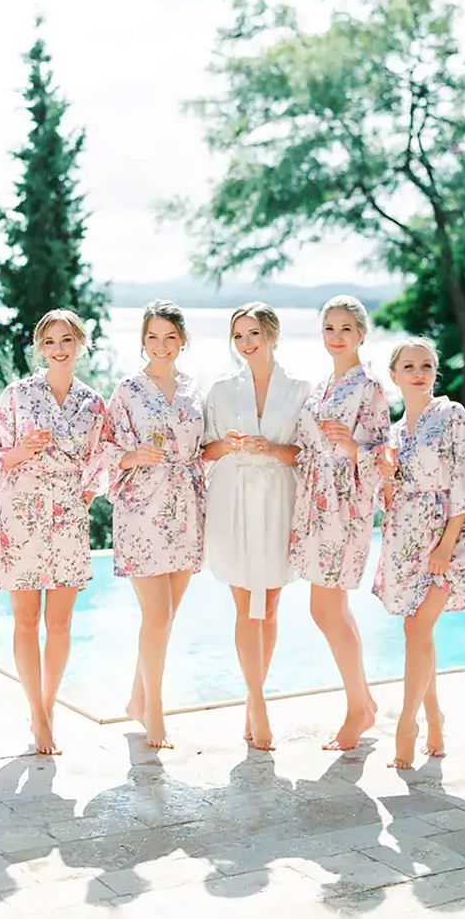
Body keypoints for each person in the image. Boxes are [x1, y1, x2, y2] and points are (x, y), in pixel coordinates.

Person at [0, 309, 108, 755]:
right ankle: (37, 716)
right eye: (50, 342)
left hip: (68, 520)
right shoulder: (17, 395)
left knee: (59, 623)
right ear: (40, 347)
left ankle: (48, 708)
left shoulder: (94, 403)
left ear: (80, 345)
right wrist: (21, 451)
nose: (58, 350)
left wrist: (86, 494)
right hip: (22, 516)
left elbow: (102, 459)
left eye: (66, 341)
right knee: (25, 620)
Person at [374, 338, 465, 769]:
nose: (419, 372)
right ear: (395, 375)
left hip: (446, 538)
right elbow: (391, 498)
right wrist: (386, 476)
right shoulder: (397, 432)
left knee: (418, 629)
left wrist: (446, 544)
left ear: (435, 372)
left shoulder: (452, 415)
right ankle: (435, 716)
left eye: (426, 365)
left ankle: (407, 724)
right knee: (415, 630)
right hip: (405, 538)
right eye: (409, 366)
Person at [203, 303, 311, 750]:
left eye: (253, 334)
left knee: (270, 608)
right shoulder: (221, 390)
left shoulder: (301, 389)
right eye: (239, 336)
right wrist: (227, 445)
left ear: (272, 334)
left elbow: (307, 452)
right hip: (232, 498)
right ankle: (258, 703)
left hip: (279, 498)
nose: (246, 344)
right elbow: (204, 451)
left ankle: (253, 701)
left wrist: (271, 447)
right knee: (245, 603)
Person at [290, 295, 390, 751]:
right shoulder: (322, 385)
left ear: (362, 334)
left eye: (346, 328)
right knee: (330, 609)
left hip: (345, 506)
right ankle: (363, 703)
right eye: (329, 328)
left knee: (326, 609)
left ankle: (358, 710)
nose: (337, 336)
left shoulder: (369, 387)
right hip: (314, 504)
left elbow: (383, 454)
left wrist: (352, 446)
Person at [107, 300, 205, 749]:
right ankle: (154, 713)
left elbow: (203, 448)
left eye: (170, 337)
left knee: (167, 617)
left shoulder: (193, 390)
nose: (161, 346)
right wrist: (131, 456)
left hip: (185, 508)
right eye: (152, 337)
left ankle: (134, 698)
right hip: (141, 509)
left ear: (182, 341)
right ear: (142, 340)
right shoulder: (127, 390)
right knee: (157, 615)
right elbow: (103, 449)